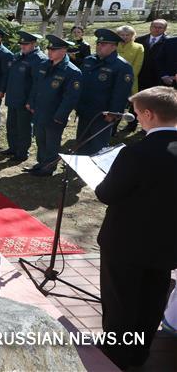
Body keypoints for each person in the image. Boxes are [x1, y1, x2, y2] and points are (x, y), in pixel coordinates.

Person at [94, 86, 177, 369]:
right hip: (168, 243)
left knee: (121, 303)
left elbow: (106, 194)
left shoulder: (136, 153)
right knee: (152, 300)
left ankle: (117, 356)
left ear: (150, 114)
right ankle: (140, 354)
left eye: (139, 114)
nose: (137, 120)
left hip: (126, 243)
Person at [24, 35, 82, 176]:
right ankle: (41, 162)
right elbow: (36, 86)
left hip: (54, 114)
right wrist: (31, 102)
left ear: (63, 51)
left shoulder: (72, 72)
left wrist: (60, 116)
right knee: (40, 138)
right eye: (49, 49)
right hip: (40, 110)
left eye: (54, 49)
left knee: (51, 142)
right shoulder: (44, 65)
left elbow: (70, 98)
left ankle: (49, 167)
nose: (50, 52)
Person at [75, 29, 134, 155]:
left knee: (98, 144)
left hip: (103, 113)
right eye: (98, 43)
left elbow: (121, 93)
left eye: (103, 44)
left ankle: (94, 170)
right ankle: (80, 164)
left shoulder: (122, 66)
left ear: (113, 46)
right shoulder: (89, 60)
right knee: (82, 140)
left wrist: (113, 113)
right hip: (85, 109)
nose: (99, 46)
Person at [2, 32, 47, 163]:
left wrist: (30, 101)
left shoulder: (39, 59)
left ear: (33, 44)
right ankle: (12, 147)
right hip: (13, 98)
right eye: (21, 44)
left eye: (26, 44)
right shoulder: (18, 56)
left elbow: (37, 83)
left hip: (25, 101)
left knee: (24, 128)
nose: (23, 46)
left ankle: (22, 152)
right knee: (11, 125)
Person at [136, 19, 168, 92]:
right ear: (150, 27)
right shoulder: (139, 40)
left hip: (158, 76)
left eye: (160, 27)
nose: (157, 29)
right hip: (141, 74)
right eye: (154, 26)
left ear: (165, 29)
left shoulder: (168, 42)